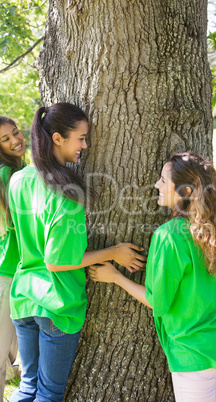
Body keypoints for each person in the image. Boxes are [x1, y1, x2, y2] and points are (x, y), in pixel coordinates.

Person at [8, 103, 146, 402]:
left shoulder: (19, 179)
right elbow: (57, 262)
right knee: (48, 394)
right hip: (56, 303)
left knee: (28, 387)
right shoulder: (67, 195)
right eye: (81, 138)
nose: (85, 145)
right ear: (58, 138)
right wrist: (114, 253)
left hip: (24, 296)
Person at [89, 152, 216, 401]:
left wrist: (115, 277)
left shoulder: (169, 236)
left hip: (192, 352)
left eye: (164, 180)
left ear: (186, 191)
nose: (157, 185)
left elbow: (159, 302)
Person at [0, 116, 25, 402]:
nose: (15, 140)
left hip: (19, 271)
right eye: (5, 139)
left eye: (15, 132)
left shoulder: (19, 170)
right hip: (8, 271)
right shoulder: (8, 175)